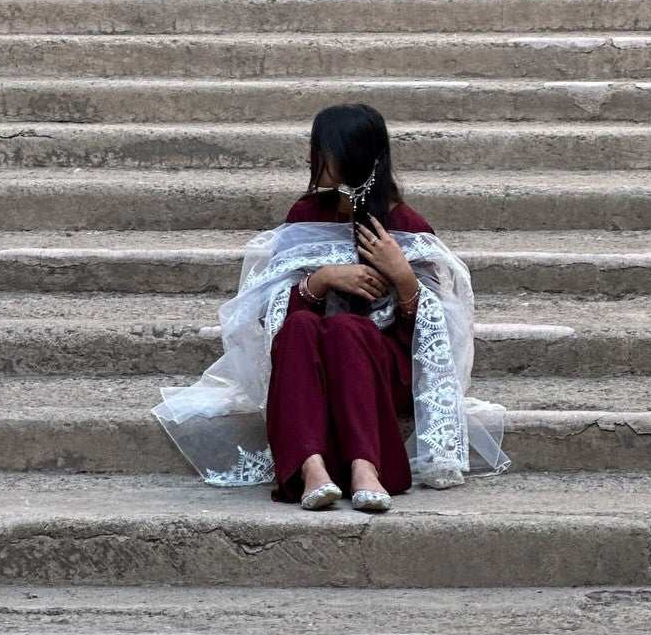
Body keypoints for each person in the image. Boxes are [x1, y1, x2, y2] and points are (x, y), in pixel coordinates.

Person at [152, 103, 510, 511]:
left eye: (321, 149)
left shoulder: (406, 224)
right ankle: (312, 469)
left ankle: (365, 469)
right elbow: (270, 316)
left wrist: (403, 277)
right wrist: (321, 280)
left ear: (351, 154)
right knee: (300, 326)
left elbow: (437, 335)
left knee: (348, 328)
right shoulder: (304, 215)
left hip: (380, 369)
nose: (310, 158)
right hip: (308, 365)